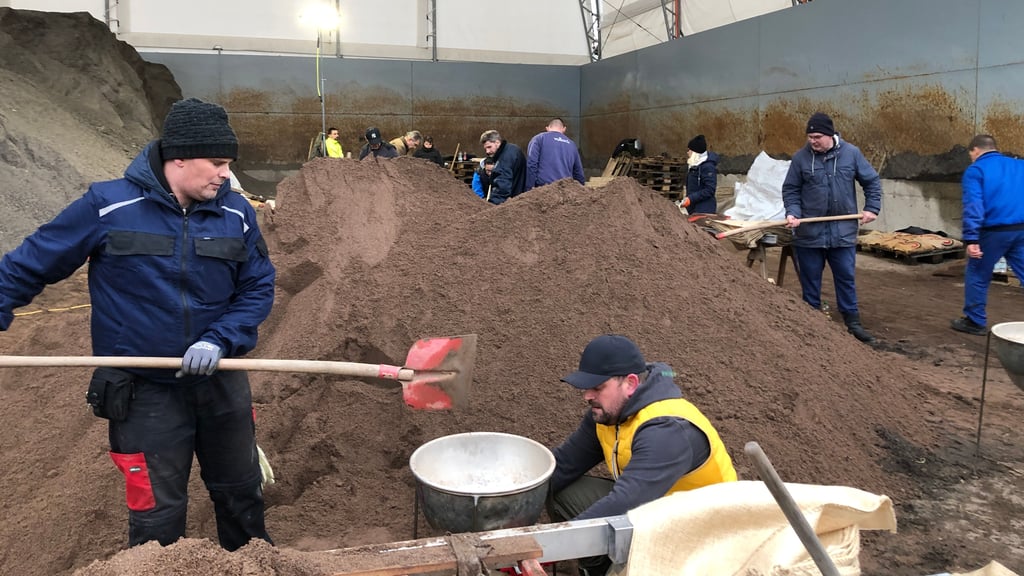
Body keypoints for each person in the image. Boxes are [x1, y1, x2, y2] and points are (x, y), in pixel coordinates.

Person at [0, 98, 276, 551]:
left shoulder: (236, 214)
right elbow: (28, 265)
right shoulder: (108, 205)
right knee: (156, 514)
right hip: (143, 389)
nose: (225, 175)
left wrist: (219, 340)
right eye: (217, 163)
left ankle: (252, 563)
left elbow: (257, 287)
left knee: (241, 494)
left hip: (220, 381)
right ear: (179, 158)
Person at [549, 334, 737, 576]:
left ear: (630, 383)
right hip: (653, 513)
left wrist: (549, 546)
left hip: (704, 538)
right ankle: (598, 568)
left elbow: (625, 502)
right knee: (559, 490)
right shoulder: (607, 414)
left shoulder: (667, 430)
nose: (587, 395)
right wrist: (509, 507)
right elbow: (564, 465)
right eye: (586, 387)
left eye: (598, 387)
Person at [782, 112, 882, 344]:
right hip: (809, 234)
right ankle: (811, 325)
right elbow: (791, 189)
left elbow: (871, 181)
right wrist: (793, 212)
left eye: (817, 137)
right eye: (810, 137)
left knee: (845, 278)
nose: (812, 141)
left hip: (842, 232)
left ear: (830, 135)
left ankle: (853, 323)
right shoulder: (801, 158)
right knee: (810, 281)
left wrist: (872, 208)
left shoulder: (851, 154)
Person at [950, 134, 1024, 335]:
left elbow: (974, 205)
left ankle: (975, 321)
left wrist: (971, 239)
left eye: (971, 155)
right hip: (1022, 229)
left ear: (975, 150)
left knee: (977, 273)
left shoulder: (976, 170)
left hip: (994, 231)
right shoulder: (1020, 165)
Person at [525, 118, 585, 190]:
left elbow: (532, 164)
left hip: (544, 189)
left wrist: (529, 189)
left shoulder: (539, 139)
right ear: (564, 129)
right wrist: (581, 191)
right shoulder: (572, 144)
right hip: (565, 190)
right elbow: (578, 173)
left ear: (547, 128)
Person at [479, 129, 526, 205]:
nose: (487, 151)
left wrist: (493, 204)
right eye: (485, 149)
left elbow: (503, 184)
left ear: (497, 142)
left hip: (512, 201)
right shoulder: (512, 149)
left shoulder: (505, 158)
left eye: (489, 147)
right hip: (519, 196)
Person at [680, 134, 719, 214]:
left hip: (704, 209)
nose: (687, 153)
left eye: (689, 150)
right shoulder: (694, 166)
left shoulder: (708, 167)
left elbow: (709, 190)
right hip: (694, 208)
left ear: (695, 152)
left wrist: (691, 198)